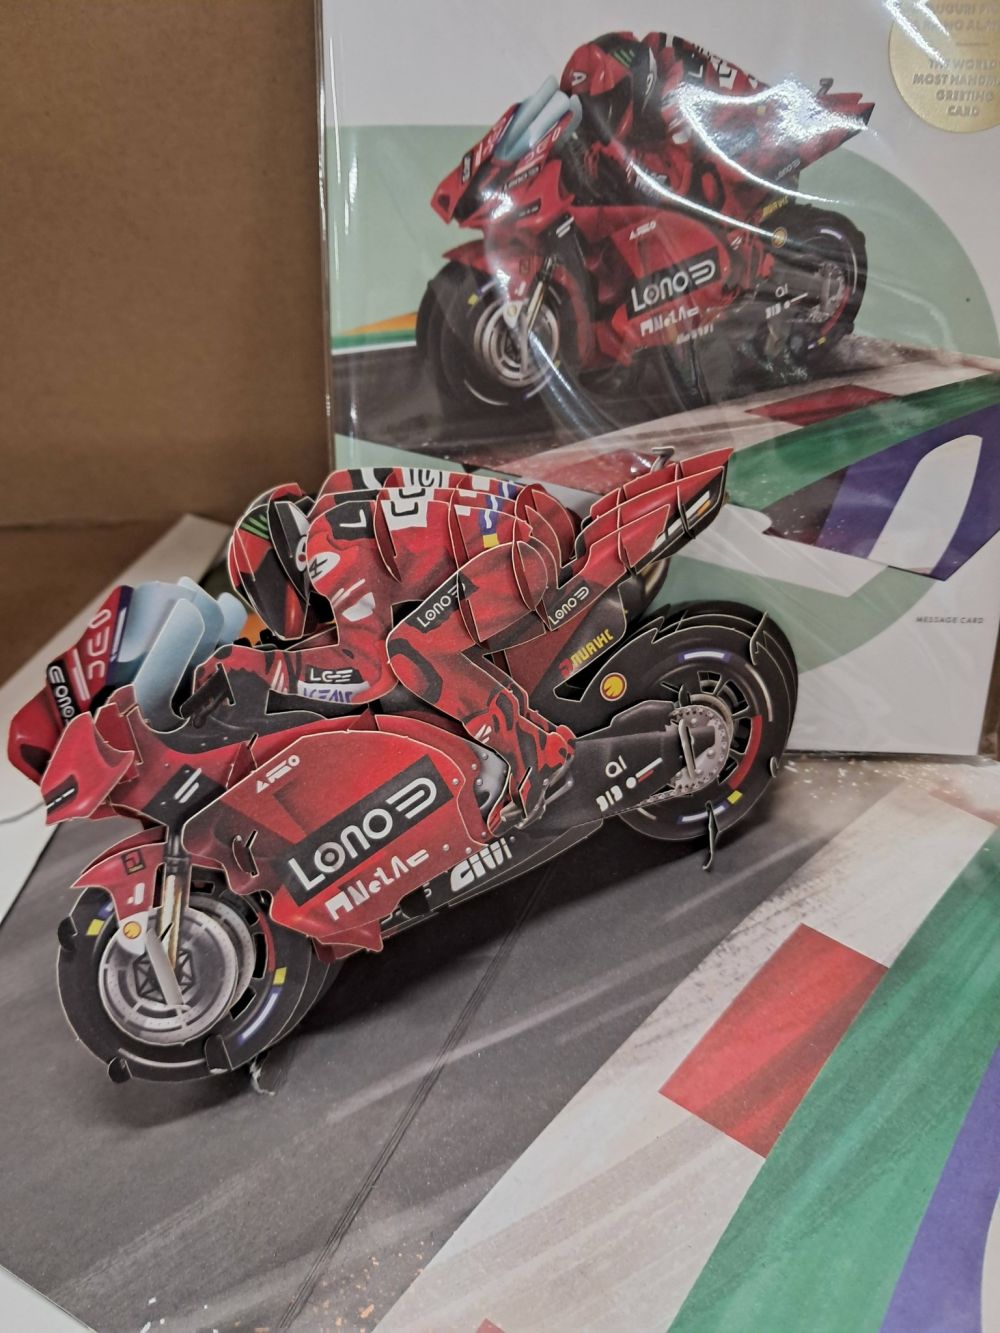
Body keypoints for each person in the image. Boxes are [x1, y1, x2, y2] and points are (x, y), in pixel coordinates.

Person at [559, 30, 764, 205]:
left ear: (626, 89)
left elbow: (677, 184)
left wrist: (623, 163)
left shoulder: (674, 90)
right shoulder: (645, 90)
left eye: (600, 107)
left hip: (762, 151)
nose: (592, 122)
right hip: (738, 138)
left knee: (707, 183)